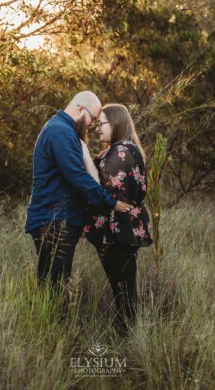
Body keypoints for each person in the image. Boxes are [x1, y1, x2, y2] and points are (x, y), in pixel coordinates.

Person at [25, 92, 133, 291]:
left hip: (57, 220)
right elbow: (77, 177)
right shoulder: (60, 131)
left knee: (54, 284)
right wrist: (110, 202)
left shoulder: (62, 130)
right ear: (80, 108)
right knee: (53, 287)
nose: (92, 125)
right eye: (92, 119)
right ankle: (48, 322)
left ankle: (50, 321)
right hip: (54, 221)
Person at [81, 103, 153, 332]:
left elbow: (98, 185)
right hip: (118, 228)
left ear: (116, 123)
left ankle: (127, 336)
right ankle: (127, 333)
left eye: (101, 124)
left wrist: (82, 152)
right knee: (122, 286)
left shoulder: (122, 151)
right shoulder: (118, 149)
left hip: (119, 229)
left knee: (123, 287)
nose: (97, 129)